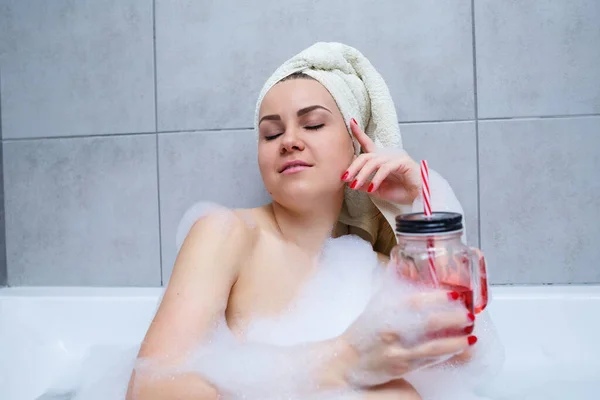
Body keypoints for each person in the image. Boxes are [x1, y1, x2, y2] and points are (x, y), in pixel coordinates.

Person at [126, 42, 480, 400]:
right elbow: (150, 387)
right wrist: (345, 360)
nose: (289, 141)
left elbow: (463, 357)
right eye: (271, 133)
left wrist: (422, 199)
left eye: (312, 124)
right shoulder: (227, 234)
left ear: (355, 146)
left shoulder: (382, 271)